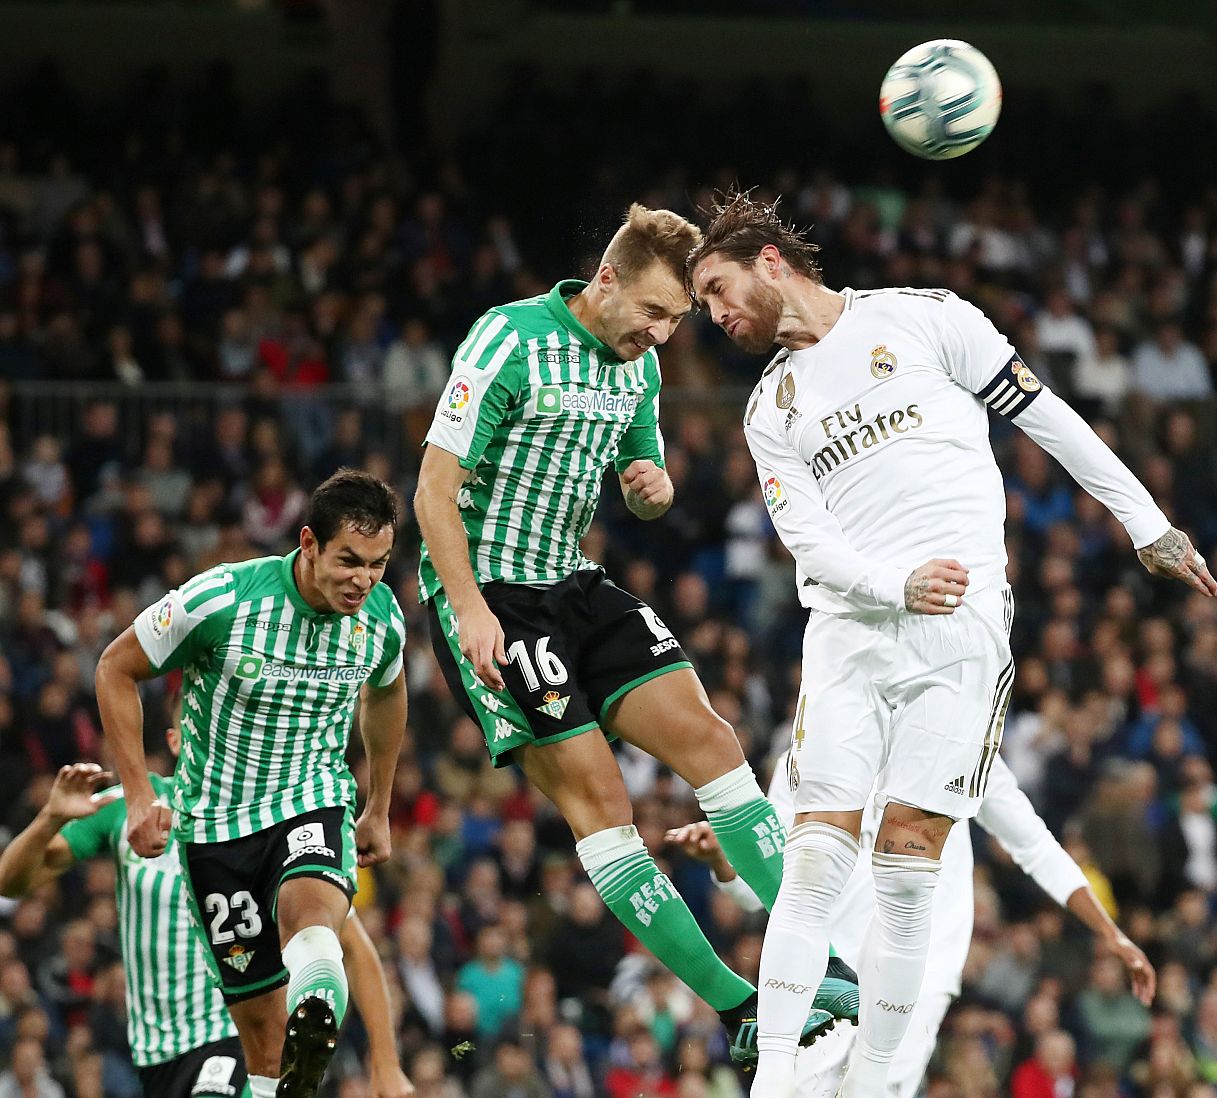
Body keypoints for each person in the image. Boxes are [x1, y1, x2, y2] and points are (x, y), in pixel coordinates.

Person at [688, 190, 1217, 1098]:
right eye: (702, 304)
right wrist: (892, 583)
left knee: (905, 867)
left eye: (717, 288)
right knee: (817, 856)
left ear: (770, 261)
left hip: (961, 629)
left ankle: (877, 1084)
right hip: (851, 631)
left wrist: (1146, 523)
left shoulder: (927, 319)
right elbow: (806, 544)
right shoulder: (769, 405)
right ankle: (775, 1084)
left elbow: (1047, 416)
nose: (714, 314)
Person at [411, 204, 846, 1064]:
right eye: (651, 312)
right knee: (603, 806)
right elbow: (433, 489)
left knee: (713, 742)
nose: (660, 333)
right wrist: (468, 609)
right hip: (496, 596)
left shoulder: (637, 370)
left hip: (573, 583)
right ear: (604, 279)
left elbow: (647, 481)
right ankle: (735, 1006)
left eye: (677, 319)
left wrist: (653, 489)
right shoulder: (506, 340)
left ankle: (819, 964)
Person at [95, 470, 410, 1098]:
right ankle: (300, 1034)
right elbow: (115, 667)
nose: (363, 580)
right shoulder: (223, 600)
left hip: (310, 799)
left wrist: (377, 806)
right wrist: (137, 796)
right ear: (309, 542)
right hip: (214, 832)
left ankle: (317, 1002)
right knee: (264, 1047)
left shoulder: (379, 618)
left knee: (311, 915)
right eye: (349, 560)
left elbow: (388, 688)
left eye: (377, 564)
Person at [666, 752, 1154, 1097]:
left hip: (922, 972)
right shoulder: (815, 741)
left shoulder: (963, 740)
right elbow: (763, 881)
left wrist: (1111, 933)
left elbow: (1034, 845)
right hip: (827, 970)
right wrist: (723, 859)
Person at [0, 754, 414, 1098]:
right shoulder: (129, 807)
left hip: (237, 1032)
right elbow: (12, 881)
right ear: (177, 738)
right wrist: (49, 819)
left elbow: (353, 948)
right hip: (156, 1052)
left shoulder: (262, 821)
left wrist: (385, 1062)